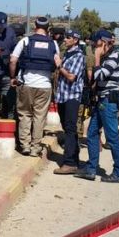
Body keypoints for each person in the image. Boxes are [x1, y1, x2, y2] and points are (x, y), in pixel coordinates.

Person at [75, 30, 119, 183]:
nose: (93, 45)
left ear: (103, 42)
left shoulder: (113, 57)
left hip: (108, 102)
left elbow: (100, 76)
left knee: (112, 137)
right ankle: (91, 169)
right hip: (102, 101)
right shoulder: (107, 57)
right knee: (91, 133)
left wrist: (97, 58)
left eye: (96, 43)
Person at [9, 16, 61, 157]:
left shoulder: (25, 41)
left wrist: (13, 77)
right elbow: (58, 63)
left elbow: (13, 60)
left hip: (26, 83)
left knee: (25, 114)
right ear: (48, 28)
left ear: (34, 26)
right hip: (44, 85)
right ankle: (35, 147)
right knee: (39, 117)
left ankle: (24, 145)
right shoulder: (53, 44)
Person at [53, 29, 85, 175]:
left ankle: (69, 163)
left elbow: (71, 77)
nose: (65, 39)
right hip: (62, 96)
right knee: (67, 128)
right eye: (65, 37)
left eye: (68, 37)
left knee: (71, 128)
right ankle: (74, 159)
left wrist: (59, 65)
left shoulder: (78, 56)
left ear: (75, 40)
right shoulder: (67, 54)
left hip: (72, 96)